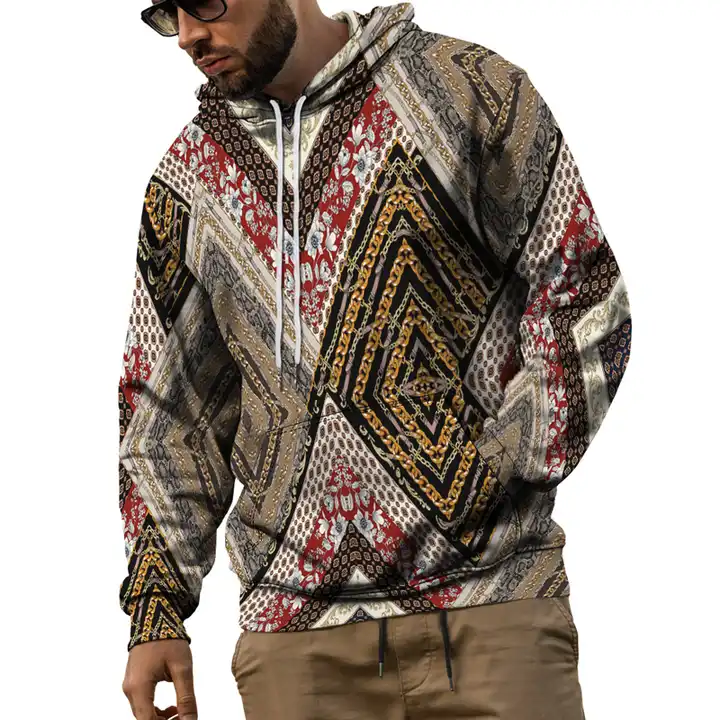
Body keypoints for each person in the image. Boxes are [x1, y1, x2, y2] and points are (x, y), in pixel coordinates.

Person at [117, 1, 632, 718]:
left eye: (205, 1)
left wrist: (496, 464)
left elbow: (581, 294)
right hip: (295, 647)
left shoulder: (468, 90)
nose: (188, 35)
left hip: (493, 608)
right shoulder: (186, 182)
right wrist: (155, 613)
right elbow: (166, 412)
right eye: (166, 14)